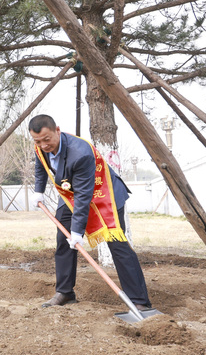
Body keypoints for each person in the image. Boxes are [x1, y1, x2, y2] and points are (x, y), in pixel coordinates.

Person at [29, 114, 157, 317]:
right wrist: (38, 190)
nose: (43, 145)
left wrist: (78, 231)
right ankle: (65, 292)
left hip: (104, 194)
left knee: (117, 244)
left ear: (58, 131)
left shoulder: (80, 153)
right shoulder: (40, 146)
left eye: (47, 139)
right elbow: (41, 166)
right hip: (72, 194)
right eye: (38, 141)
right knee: (63, 240)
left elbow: (84, 196)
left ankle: (140, 302)